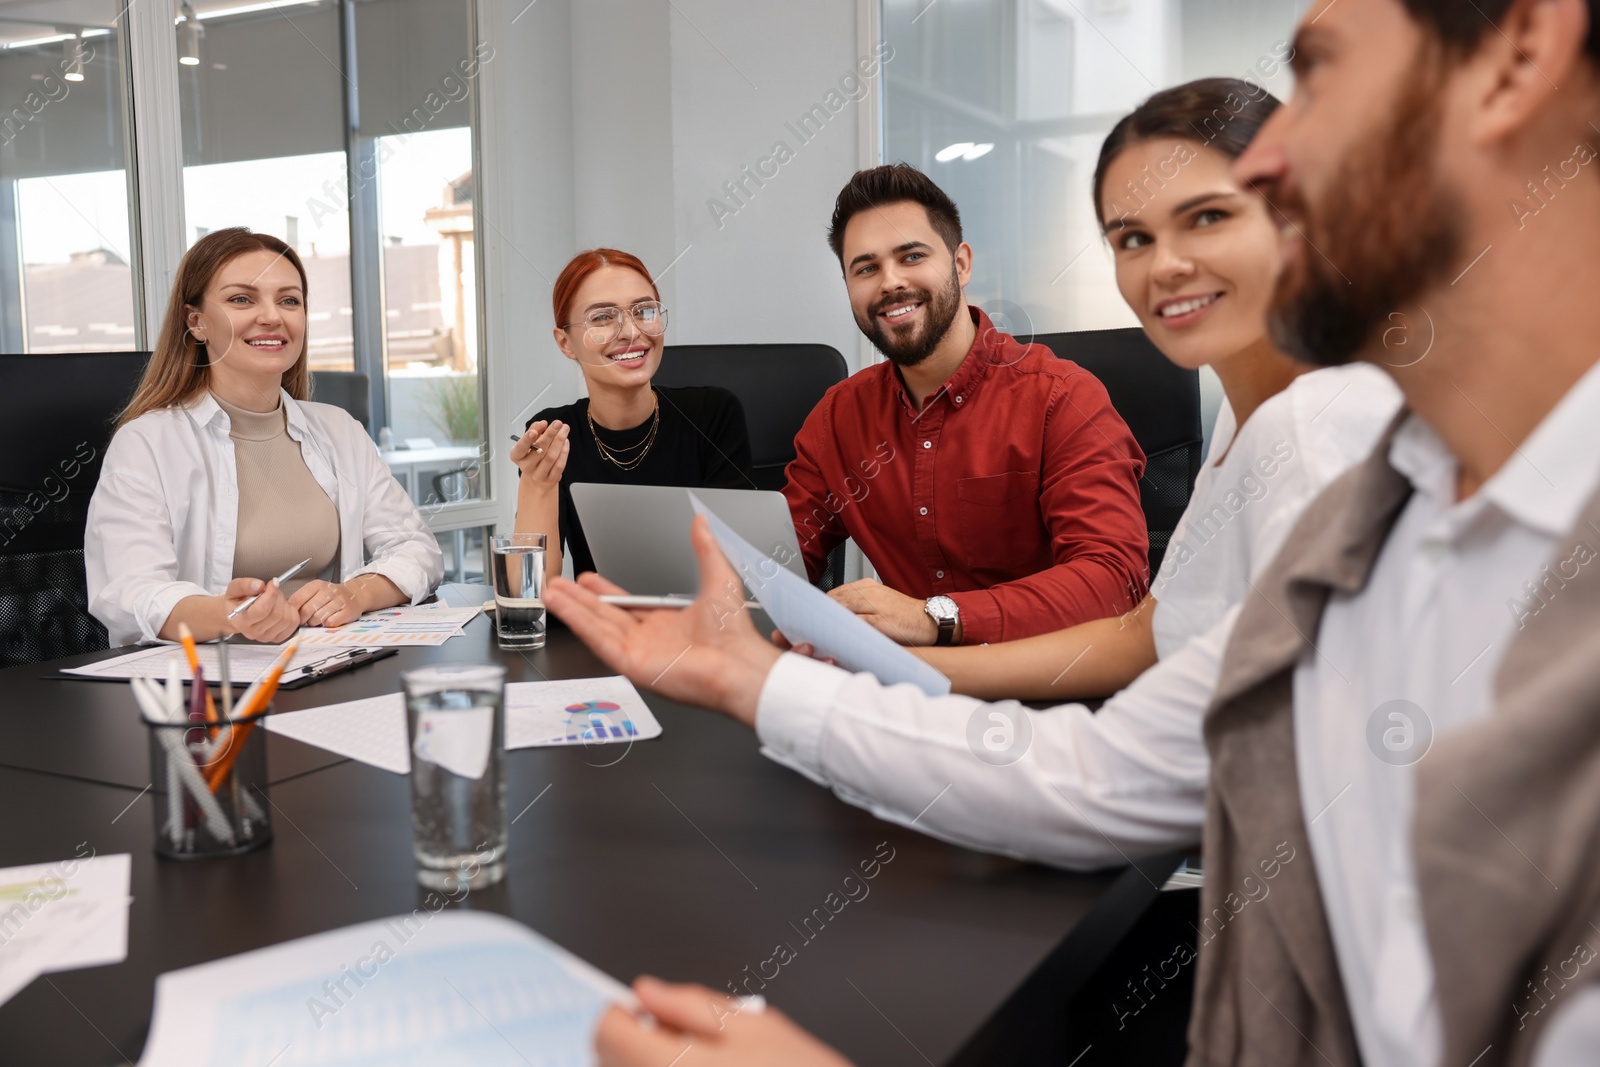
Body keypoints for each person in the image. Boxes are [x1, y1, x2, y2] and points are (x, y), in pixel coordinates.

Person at [566, 0, 1600, 1062]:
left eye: (1320, 72)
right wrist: (763, 669)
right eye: (1130, 238)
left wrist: (912, 629)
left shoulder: (1324, 433)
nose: (1279, 155)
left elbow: (1113, 613)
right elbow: (1105, 753)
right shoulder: (1364, 466)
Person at [909, 78, 1401, 700]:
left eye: (1208, 217)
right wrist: (904, 671)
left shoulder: (1313, 425)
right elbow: (1150, 633)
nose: (1166, 266)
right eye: (1134, 239)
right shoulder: (1254, 415)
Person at [785, 164, 1150, 647]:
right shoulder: (837, 419)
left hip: (1047, 690)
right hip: (907, 689)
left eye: (911, 256)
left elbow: (1113, 581)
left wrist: (934, 618)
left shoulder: (1060, 397)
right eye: (866, 268)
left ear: (960, 264)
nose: (890, 282)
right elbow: (778, 563)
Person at [85, 228, 443, 648]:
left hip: (321, 666)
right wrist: (230, 615)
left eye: (289, 300)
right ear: (196, 322)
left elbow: (416, 547)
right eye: (242, 299)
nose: (273, 316)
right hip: (210, 688)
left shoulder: (338, 429)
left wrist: (353, 594)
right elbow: (131, 594)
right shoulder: (147, 443)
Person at [512, 248, 752, 579]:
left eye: (644, 311)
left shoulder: (713, 414)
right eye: (602, 317)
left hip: (703, 625)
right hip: (601, 627)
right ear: (566, 343)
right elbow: (531, 593)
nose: (630, 332)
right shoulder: (556, 434)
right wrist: (536, 485)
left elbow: (740, 571)